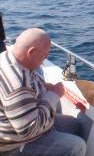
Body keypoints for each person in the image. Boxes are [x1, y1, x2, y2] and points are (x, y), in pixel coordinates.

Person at [0, 28, 86, 156]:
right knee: (77, 146)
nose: (44, 60)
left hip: (28, 119)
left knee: (75, 125)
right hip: (15, 145)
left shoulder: (9, 56)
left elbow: (30, 80)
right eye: (44, 56)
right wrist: (54, 95)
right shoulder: (18, 85)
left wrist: (45, 86)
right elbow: (29, 130)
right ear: (31, 52)